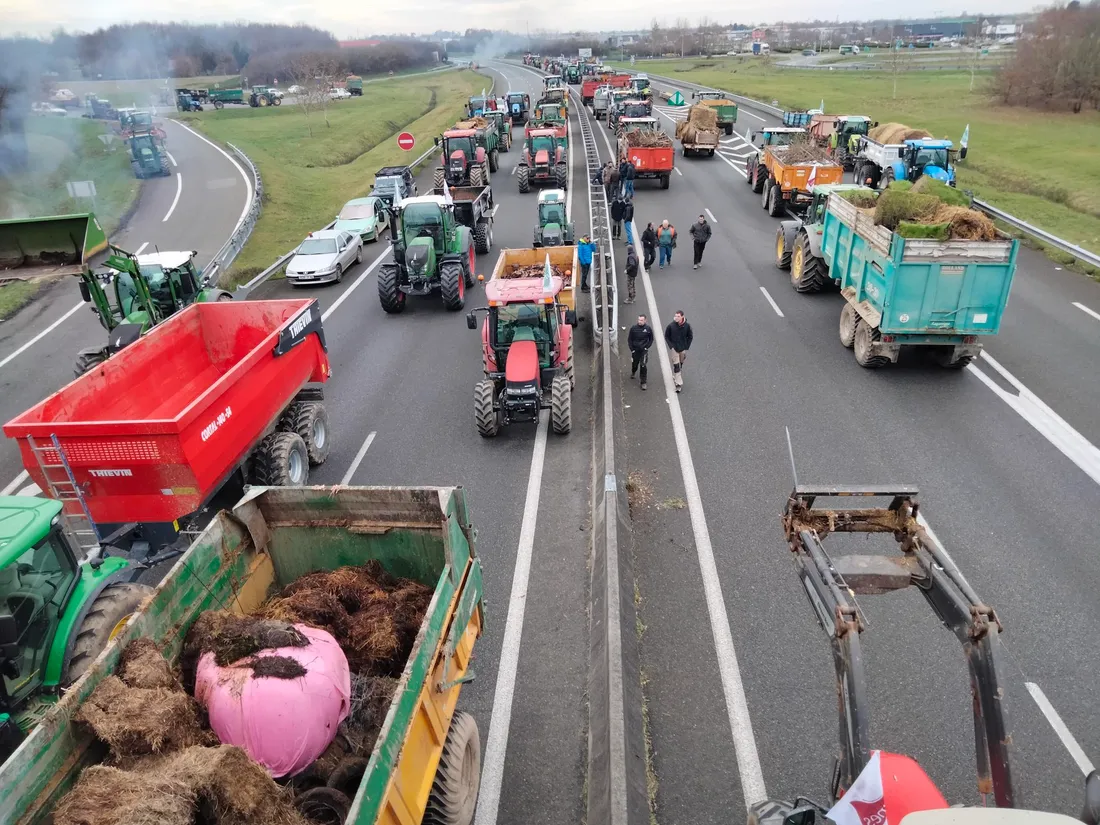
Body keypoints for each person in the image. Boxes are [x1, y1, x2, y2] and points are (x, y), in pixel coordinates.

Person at [664, 310, 693, 393]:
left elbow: (690, 336)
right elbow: (666, 336)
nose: (676, 318)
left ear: (682, 317)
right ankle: (678, 384)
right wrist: (671, 346)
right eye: (675, 316)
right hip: (674, 349)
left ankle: (679, 370)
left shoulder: (687, 326)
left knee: (681, 362)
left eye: (678, 316)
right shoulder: (671, 326)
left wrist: (686, 346)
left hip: (682, 348)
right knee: (676, 366)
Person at [627, 313, 654, 390]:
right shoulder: (633, 328)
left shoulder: (648, 329)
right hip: (635, 350)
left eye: (641, 320)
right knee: (635, 364)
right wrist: (632, 349)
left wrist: (647, 347)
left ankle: (643, 382)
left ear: (645, 320)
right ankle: (633, 371)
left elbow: (651, 339)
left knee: (643, 365)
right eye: (639, 320)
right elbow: (629, 339)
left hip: (643, 351)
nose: (640, 321)